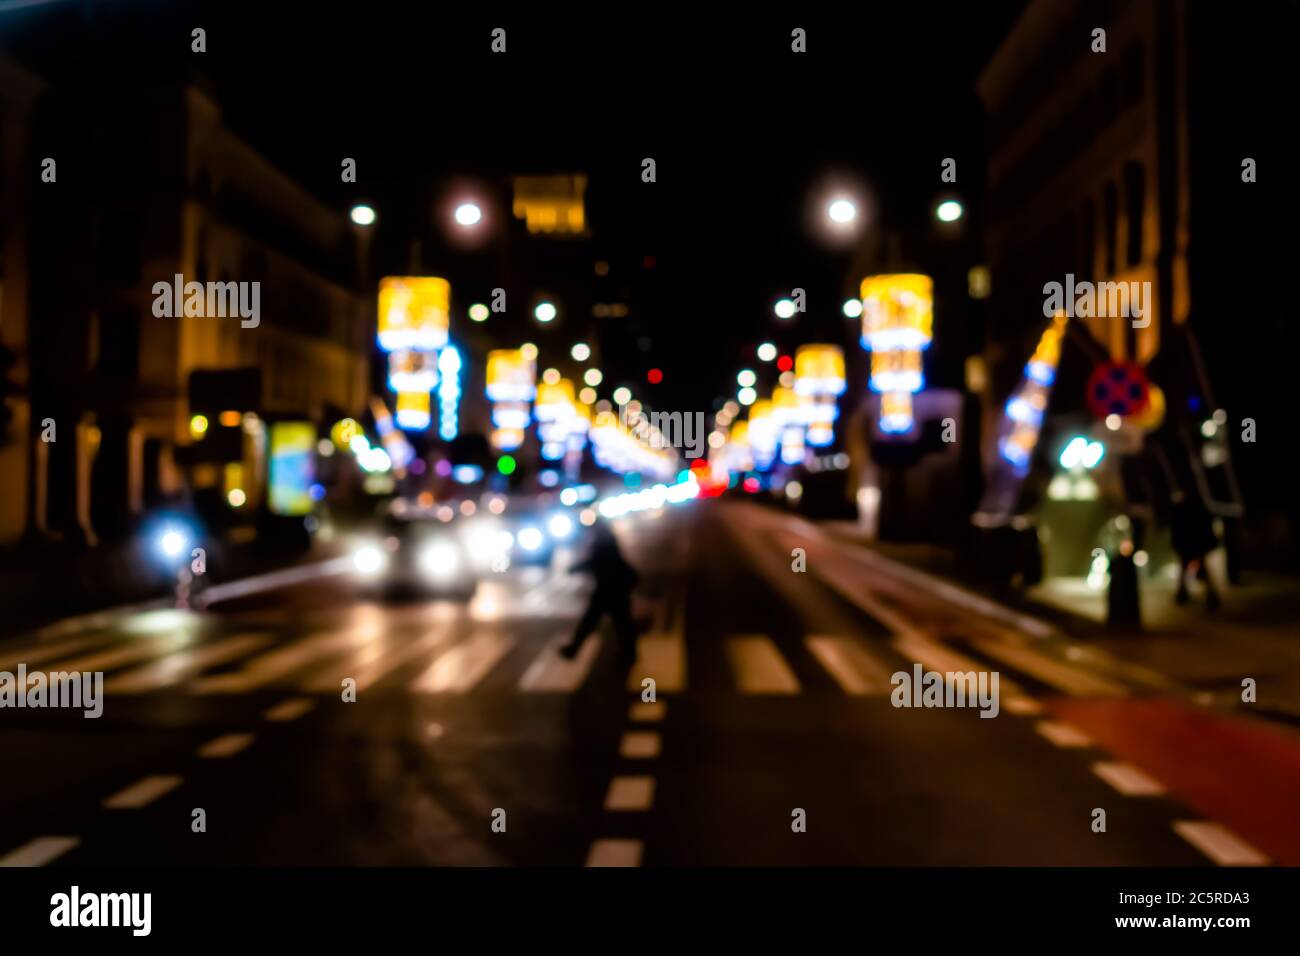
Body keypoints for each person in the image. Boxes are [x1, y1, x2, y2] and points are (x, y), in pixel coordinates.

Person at [558, 520, 639, 662]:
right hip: (613, 588)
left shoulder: (604, 544)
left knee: (598, 622)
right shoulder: (607, 541)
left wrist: (576, 568)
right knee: (620, 623)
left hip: (610, 589)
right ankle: (629, 654)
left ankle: (574, 649)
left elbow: (596, 562)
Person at [1170, 489, 1220, 612]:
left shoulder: (1182, 508)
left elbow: (1176, 526)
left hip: (1189, 543)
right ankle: (1208, 596)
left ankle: (1185, 594)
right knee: (1200, 569)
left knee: (1189, 569)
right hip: (1196, 543)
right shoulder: (1197, 507)